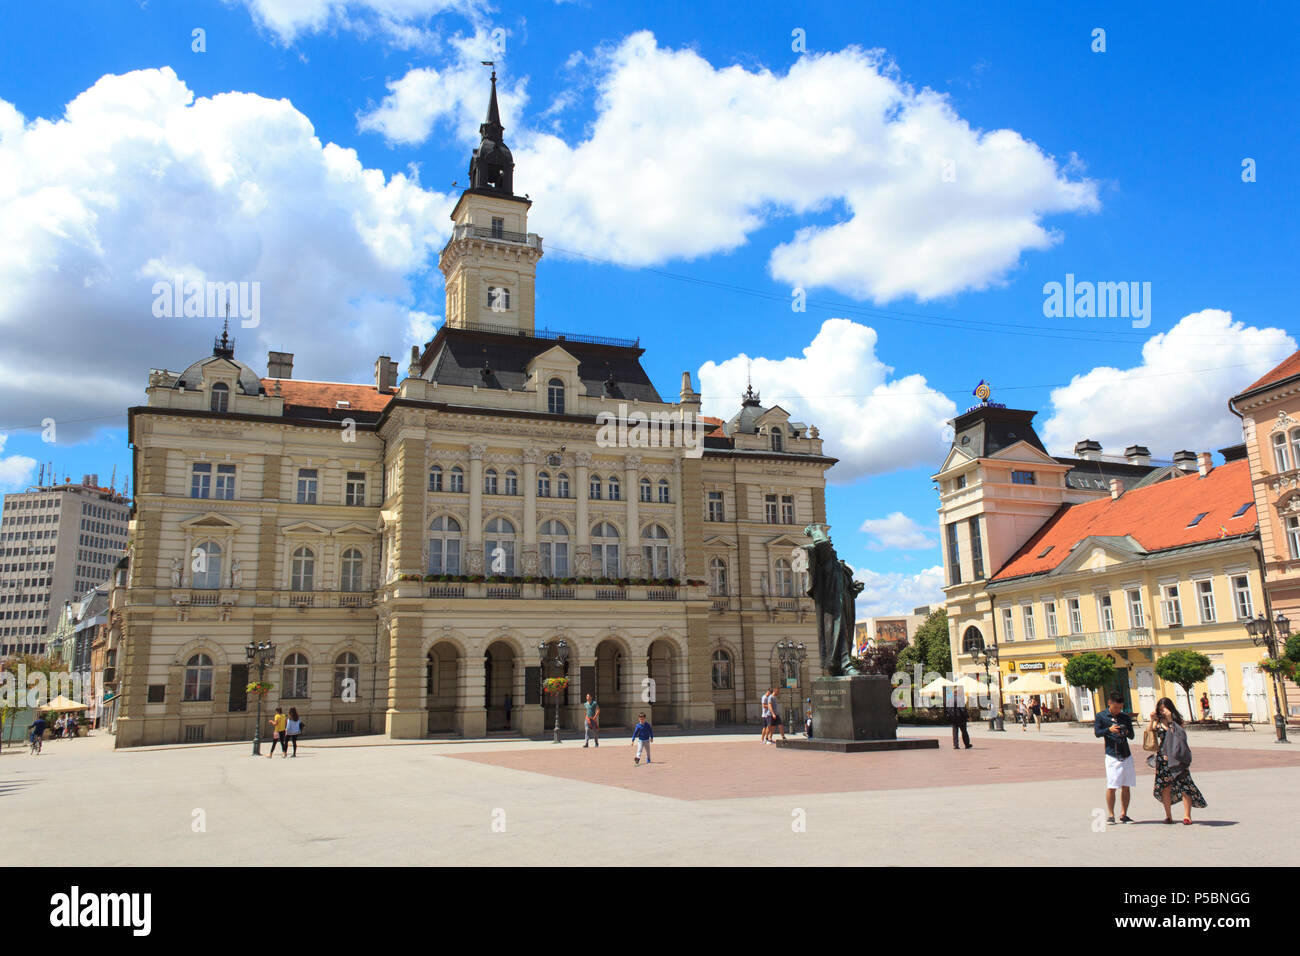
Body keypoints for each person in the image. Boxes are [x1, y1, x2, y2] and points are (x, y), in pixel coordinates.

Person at [1147, 697, 1207, 825]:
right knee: (1165, 787)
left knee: (1185, 785)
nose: (1162, 712)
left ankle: (1187, 816)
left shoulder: (1176, 721)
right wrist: (1152, 719)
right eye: (1160, 710)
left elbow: (1179, 736)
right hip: (1162, 758)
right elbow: (1150, 733)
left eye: (1164, 709)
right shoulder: (1157, 721)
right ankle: (1168, 816)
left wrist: (1169, 720)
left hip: (1177, 757)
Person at [1095, 691, 1135, 824]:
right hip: (1112, 754)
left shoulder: (1124, 717)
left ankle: (1124, 814)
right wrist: (1109, 730)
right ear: (1109, 704)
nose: (1118, 710)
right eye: (1116, 707)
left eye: (1120, 707)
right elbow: (1097, 733)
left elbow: (1132, 736)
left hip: (1126, 754)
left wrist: (1126, 731)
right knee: (1112, 785)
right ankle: (1111, 814)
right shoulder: (1101, 716)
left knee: (1126, 785)